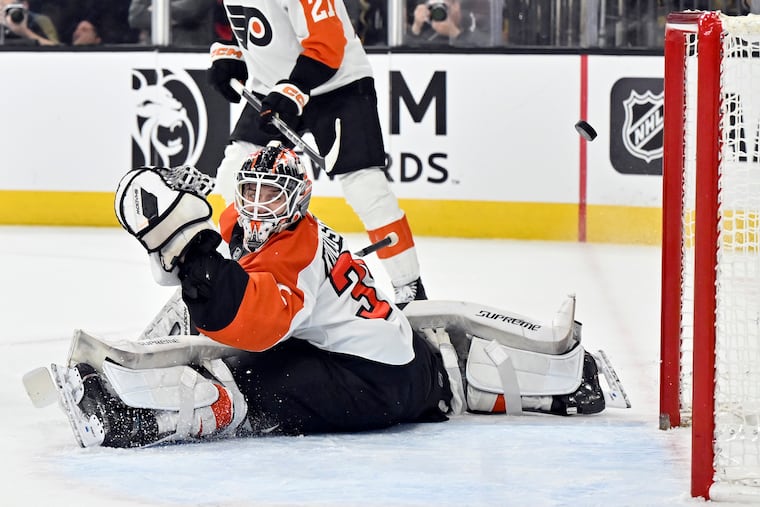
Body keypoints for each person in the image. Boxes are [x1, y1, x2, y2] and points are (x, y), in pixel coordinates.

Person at [41, 145, 619, 449]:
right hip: (406, 365)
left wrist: (190, 252)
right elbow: (229, 244)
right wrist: (188, 246)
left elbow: (254, 324)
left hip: (368, 387)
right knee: (425, 356)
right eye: (251, 191)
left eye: (272, 194)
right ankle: (550, 380)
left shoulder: (294, 253)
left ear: (297, 202)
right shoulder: (275, 226)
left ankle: (142, 417)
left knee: (251, 374)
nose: (259, 204)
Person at [207, 0, 427, 306]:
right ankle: (253, 267)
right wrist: (228, 50)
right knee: (233, 175)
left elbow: (328, 42)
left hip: (339, 83)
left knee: (365, 186)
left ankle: (410, 287)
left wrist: (294, 89)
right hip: (271, 87)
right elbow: (231, 14)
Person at [128, 0, 214, 46]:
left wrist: (155, 9)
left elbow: (191, 11)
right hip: (151, 53)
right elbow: (136, 17)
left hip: (189, 54)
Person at [406, 0, 490, 47]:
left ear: (456, 6)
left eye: (443, 6)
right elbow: (406, 52)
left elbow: (489, 46)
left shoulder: (478, 21)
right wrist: (416, 27)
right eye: (433, 7)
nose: (438, 12)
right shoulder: (428, 33)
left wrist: (455, 33)